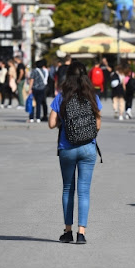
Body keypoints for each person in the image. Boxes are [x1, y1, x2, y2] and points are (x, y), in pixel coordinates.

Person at [48, 61, 102, 244]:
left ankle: (67, 231)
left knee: (67, 189)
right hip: (88, 147)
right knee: (84, 191)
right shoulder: (92, 96)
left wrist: (66, 122)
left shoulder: (61, 97)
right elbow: (98, 125)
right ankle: (81, 233)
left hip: (67, 147)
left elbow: (51, 124)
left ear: (67, 77)